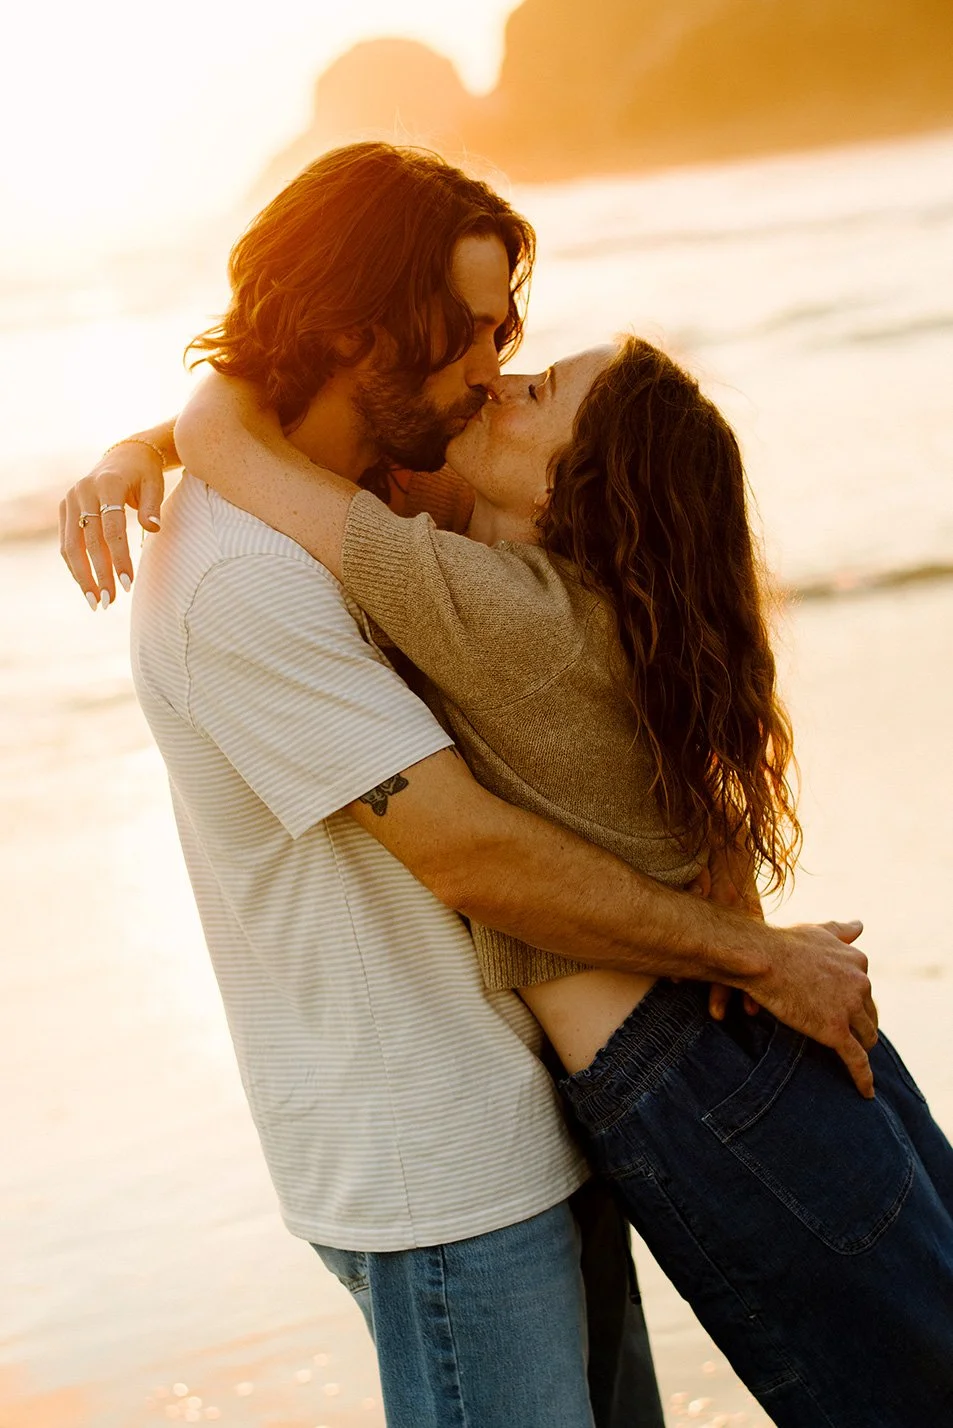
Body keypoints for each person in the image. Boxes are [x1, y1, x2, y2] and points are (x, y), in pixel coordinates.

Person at [60, 143, 878, 1428]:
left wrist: (154, 433)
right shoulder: (242, 582)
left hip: (546, 1116)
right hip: (442, 1174)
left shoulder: (386, 496)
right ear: (354, 329)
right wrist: (755, 956)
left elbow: (249, 419)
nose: (492, 369)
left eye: (509, 333)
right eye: (469, 335)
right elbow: (470, 852)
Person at [154, 332, 953, 1424]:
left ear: (571, 485)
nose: (495, 382)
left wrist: (144, 444)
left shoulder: (496, 612)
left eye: (535, 392)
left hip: (690, 1075)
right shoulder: (582, 603)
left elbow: (231, 446)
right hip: (738, 1052)